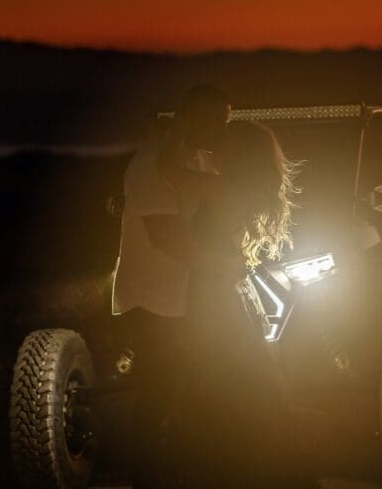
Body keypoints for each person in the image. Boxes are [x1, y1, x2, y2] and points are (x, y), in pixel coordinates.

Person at [159, 120, 304, 488]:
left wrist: (174, 136)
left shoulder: (218, 186)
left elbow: (165, 170)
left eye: (220, 142)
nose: (213, 147)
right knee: (243, 389)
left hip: (217, 297)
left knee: (220, 387)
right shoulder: (239, 188)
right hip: (231, 294)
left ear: (236, 153)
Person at [111, 84, 232, 489]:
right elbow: (168, 238)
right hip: (154, 295)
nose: (221, 131)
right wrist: (229, 264)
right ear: (189, 117)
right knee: (158, 393)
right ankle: (146, 478)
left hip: (186, 295)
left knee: (188, 388)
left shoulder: (197, 161)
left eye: (226, 123)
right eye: (215, 122)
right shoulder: (148, 164)